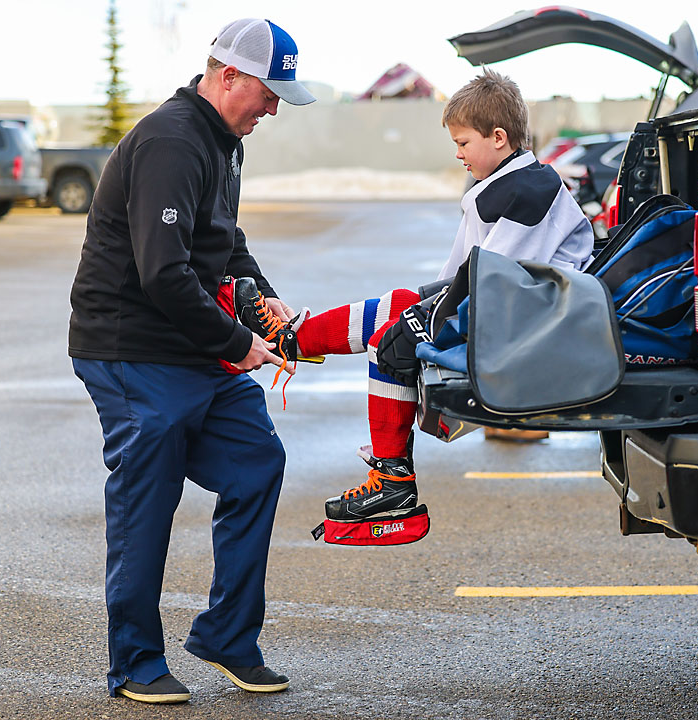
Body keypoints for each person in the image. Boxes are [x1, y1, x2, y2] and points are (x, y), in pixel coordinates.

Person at [69, 18, 315, 705]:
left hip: (189, 347)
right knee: (148, 500)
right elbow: (164, 274)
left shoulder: (225, 142)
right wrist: (237, 343)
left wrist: (262, 297)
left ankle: (228, 637)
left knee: (257, 462)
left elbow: (224, 240)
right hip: (131, 349)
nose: (274, 109)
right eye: (269, 94)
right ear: (228, 75)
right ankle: (135, 664)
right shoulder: (171, 141)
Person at [238, 69, 593, 524]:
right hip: (518, 308)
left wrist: (426, 322)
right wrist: (423, 310)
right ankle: (292, 341)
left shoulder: (529, 192)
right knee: (403, 305)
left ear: (498, 138)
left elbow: (495, 283)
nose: (458, 153)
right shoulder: (504, 183)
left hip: (539, 322)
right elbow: (463, 277)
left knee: (393, 341)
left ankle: (393, 481)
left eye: (463, 142)